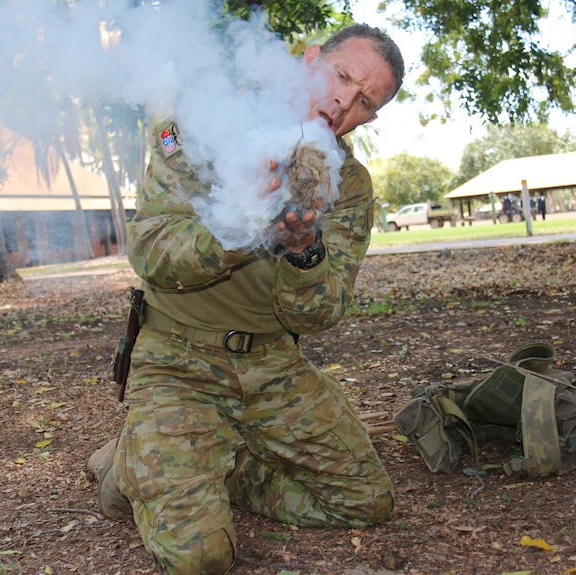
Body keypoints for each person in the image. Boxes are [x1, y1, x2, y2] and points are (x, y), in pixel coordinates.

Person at [88, 24, 405, 575]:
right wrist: (241, 224)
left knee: (366, 501)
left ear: (368, 118)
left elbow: (319, 313)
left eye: (363, 101)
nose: (342, 102)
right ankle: (131, 466)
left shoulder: (348, 185)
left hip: (271, 365)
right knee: (202, 559)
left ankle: (218, 466)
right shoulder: (200, 127)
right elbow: (154, 253)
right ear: (309, 59)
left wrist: (303, 252)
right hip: (177, 361)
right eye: (341, 77)